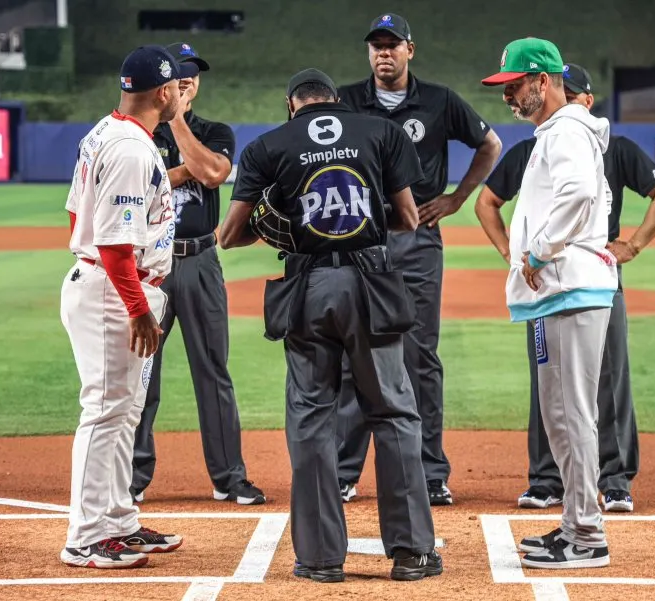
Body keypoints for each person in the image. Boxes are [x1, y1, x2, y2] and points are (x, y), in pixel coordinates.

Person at [218, 68, 443, 583]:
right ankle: (412, 554)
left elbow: (229, 235)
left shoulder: (268, 146)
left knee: (312, 420)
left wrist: (287, 220)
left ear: (290, 103)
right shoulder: (379, 131)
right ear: (336, 101)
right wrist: (359, 214)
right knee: (393, 413)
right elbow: (409, 218)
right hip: (371, 285)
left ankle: (320, 559)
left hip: (309, 289)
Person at [476, 63, 655, 513]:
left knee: (606, 377)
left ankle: (614, 480)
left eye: (575, 95)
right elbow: (486, 202)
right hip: (549, 277)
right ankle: (548, 479)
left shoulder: (600, 145)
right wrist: (518, 256)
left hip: (589, 274)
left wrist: (634, 245)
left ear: (586, 101)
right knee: (549, 383)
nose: (568, 102)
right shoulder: (537, 147)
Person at [335, 13, 503, 506]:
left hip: (417, 240)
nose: (383, 54)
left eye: (392, 45)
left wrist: (456, 198)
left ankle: (431, 472)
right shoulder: (345, 101)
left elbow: (489, 144)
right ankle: (346, 471)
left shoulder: (439, 100)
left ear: (411, 49)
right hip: (359, 238)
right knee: (354, 354)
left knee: (419, 357)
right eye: (376, 46)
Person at [479, 38, 618, 569]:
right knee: (559, 416)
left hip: (569, 288)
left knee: (572, 414)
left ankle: (587, 535)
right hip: (555, 294)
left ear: (543, 80)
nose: (509, 96)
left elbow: (579, 193)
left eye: (515, 85)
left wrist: (537, 252)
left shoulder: (567, 131)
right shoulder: (556, 132)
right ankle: (574, 523)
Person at [59, 45, 198, 569]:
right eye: (175, 88)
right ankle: (87, 536)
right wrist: (139, 307)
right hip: (115, 292)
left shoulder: (104, 132)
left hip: (114, 286)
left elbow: (75, 218)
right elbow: (114, 245)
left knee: (124, 412)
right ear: (163, 92)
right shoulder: (132, 150)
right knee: (104, 410)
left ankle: (118, 521)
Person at [129, 41, 265, 507]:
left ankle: (229, 478)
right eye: (180, 72)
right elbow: (141, 182)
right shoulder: (137, 134)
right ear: (164, 81)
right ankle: (132, 477)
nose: (188, 78)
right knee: (143, 373)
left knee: (214, 372)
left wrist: (179, 124)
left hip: (202, 260)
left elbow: (212, 173)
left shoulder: (215, 129)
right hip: (153, 264)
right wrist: (185, 168)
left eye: (194, 73)